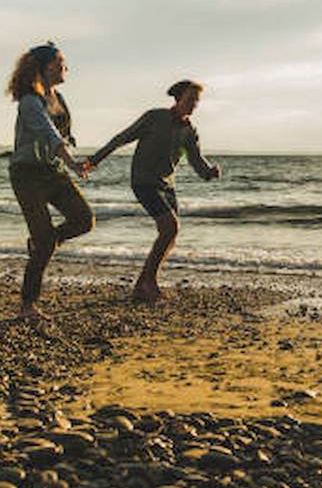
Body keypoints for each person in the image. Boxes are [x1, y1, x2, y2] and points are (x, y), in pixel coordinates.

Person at [87, 80, 221, 301]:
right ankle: (147, 282)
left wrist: (209, 172)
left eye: (196, 101)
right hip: (144, 181)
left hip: (167, 185)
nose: (194, 104)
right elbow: (122, 138)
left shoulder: (189, 131)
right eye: (190, 99)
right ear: (178, 98)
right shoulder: (154, 118)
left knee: (170, 233)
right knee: (170, 227)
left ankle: (143, 284)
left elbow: (196, 161)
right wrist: (94, 160)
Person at [6, 42, 94, 320]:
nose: (65, 66)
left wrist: (71, 147)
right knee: (45, 243)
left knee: (84, 219)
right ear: (44, 68)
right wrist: (73, 163)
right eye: (59, 62)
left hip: (53, 172)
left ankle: (41, 243)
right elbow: (49, 135)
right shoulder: (31, 101)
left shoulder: (59, 98)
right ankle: (27, 306)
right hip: (27, 174)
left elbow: (63, 133)